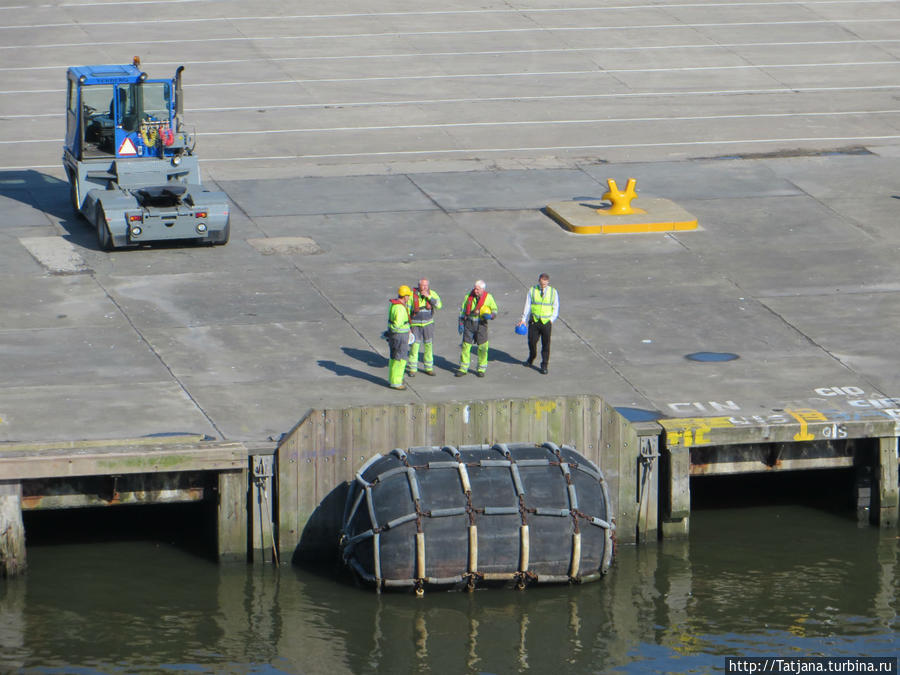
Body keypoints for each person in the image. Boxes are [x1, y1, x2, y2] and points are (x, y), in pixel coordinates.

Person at [516, 273, 559, 375]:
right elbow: (527, 305)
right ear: (539, 281)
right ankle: (532, 356)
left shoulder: (553, 292)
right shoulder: (532, 290)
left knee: (546, 344)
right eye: (541, 283)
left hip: (546, 322)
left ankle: (544, 365)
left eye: (545, 283)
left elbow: (556, 307)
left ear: (547, 282)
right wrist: (523, 319)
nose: (543, 285)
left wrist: (551, 320)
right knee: (532, 341)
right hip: (534, 321)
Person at [455, 280, 498, 378]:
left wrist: (491, 316)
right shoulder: (468, 297)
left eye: (477, 289)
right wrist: (461, 323)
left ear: (483, 289)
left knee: (483, 348)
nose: (475, 290)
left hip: (481, 325)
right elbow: (463, 311)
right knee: (466, 347)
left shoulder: (489, 298)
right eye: (475, 288)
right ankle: (463, 368)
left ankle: (481, 369)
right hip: (469, 324)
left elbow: (495, 310)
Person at [406, 279, 442, 377]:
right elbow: (407, 310)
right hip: (415, 325)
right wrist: (408, 326)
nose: (425, 287)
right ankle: (413, 369)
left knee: (428, 345)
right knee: (414, 346)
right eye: (423, 285)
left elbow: (439, 306)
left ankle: (429, 368)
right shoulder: (412, 295)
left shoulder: (433, 294)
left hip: (428, 324)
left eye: (426, 285)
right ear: (419, 286)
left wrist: (429, 297)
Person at [387, 285, 413, 390]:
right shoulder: (400, 308)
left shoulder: (393, 305)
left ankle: (392, 380)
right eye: (408, 296)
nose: (409, 298)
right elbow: (398, 325)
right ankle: (397, 382)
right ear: (405, 296)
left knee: (393, 358)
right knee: (401, 359)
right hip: (400, 337)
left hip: (394, 337)